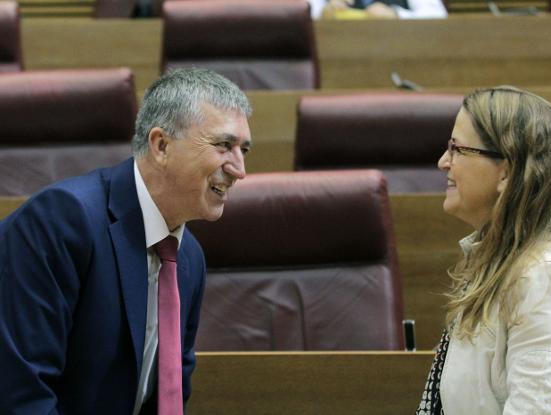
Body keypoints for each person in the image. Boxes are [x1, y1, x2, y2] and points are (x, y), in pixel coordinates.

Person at [0, 68, 252, 414]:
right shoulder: (61, 221)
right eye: (224, 146)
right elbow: (21, 394)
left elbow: (169, 394)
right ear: (161, 145)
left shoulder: (188, 257)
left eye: (244, 150)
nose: (240, 169)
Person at [416, 86, 551, 414]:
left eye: (457, 149)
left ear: (507, 171)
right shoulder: (504, 264)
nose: (444, 162)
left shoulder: (548, 278)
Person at [307, 0, 447, 19]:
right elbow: (303, 11)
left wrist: (396, 14)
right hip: (338, 56)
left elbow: (438, 16)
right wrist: (323, 12)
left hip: (397, 51)